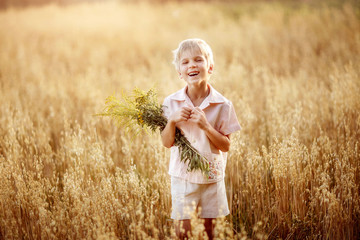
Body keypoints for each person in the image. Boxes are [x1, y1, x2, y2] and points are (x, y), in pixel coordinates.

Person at [161, 38, 241, 239]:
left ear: (210, 67)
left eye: (198, 60)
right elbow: (166, 142)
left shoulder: (223, 105)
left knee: (209, 234)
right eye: (185, 62)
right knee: (183, 234)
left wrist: (206, 126)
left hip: (211, 178)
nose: (192, 65)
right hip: (183, 177)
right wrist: (171, 122)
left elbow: (226, 146)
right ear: (179, 72)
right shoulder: (171, 103)